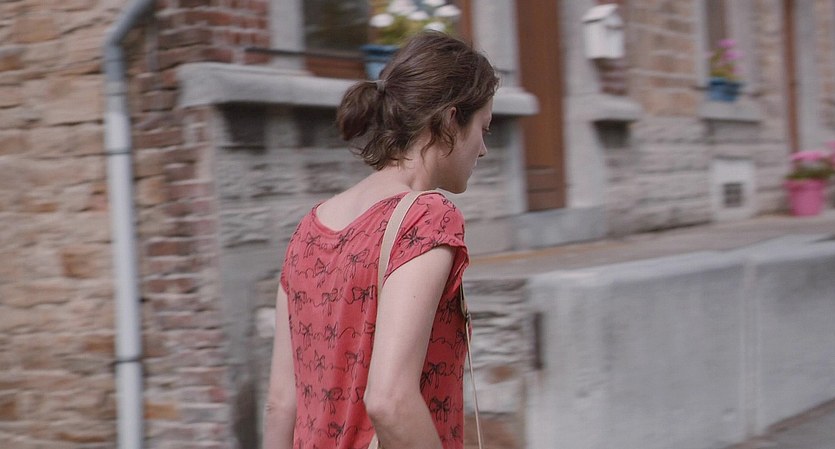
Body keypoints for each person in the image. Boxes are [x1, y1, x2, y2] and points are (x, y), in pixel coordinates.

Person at [263, 31, 499, 449]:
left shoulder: (308, 231)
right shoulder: (426, 219)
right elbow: (390, 401)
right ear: (450, 121)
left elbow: (281, 404)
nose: (482, 149)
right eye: (483, 128)